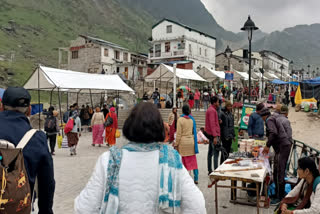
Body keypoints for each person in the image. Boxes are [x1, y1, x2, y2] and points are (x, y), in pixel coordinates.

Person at [74, 102, 206, 213]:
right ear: (159, 127)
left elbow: (84, 207)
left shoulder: (109, 160)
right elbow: (197, 206)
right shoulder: (171, 159)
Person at [0, 87, 55, 213]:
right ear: (29, 110)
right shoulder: (36, 137)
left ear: (2, 107)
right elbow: (47, 182)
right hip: (18, 207)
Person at [262, 105, 293, 205]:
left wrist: (267, 146)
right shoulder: (276, 117)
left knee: (279, 171)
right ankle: (277, 194)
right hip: (282, 147)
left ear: (264, 116)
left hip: (283, 147)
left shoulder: (269, 120)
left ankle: (280, 197)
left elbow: (274, 133)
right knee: (277, 170)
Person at [175, 104, 199, 184]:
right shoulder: (191, 120)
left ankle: (184, 180)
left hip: (183, 143)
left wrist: (175, 144)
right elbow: (193, 132)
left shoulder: (180, 120)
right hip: (191, 142)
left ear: (182, 111)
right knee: (192, 161)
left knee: (183, 162)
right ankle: (194, 178)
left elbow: (178, 134)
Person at [206, 96, 221, 174]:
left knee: (210, 153)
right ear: (215, 103)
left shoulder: (211, 110)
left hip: (211, 134)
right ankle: (215, 170)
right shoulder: (212, 111)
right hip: (213, 135)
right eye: (218, 102)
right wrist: (215, 136)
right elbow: (212, 124)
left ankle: (210, 169)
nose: (218, 103)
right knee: (215, 153)